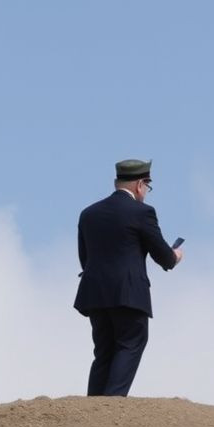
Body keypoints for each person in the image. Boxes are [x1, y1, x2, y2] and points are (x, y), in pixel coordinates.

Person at [73, 158, 183, 396]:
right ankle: (113, 402)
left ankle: (94, 405)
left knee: (103, 351)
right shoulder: (142, 212)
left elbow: (85, 258)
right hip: (129, 295)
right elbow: (163, 257)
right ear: (140, 184)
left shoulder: (88, 214)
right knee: (130, 344)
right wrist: (175, 255)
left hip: (95, 294)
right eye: (148, 187)